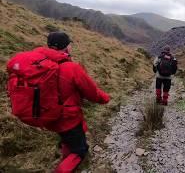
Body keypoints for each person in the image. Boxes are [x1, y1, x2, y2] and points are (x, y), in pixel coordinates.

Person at [7, 32, 110, 172]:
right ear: (66, 47)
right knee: (80, 150)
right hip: (68, 119)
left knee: (66, 138)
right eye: (69, 44)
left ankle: (65, 151)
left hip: (49, 115)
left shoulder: (39, 64)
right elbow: (91, 92)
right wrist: (105, 98)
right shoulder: (71, 68)